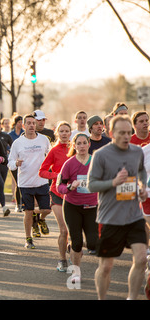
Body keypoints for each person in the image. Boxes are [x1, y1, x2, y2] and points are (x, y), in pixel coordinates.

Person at [87, 115, 149, 300]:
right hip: (110, 217)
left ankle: (131, 297)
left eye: (129, 133)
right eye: (122, 133)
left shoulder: (137, 151)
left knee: (141, 258)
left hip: (133, 215)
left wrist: (142, 186)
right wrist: (113, 182)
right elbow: (91, 185)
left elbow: (141, 171)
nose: (126, 136)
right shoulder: (101, 155)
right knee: (106, 266)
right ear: (112, 133)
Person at [57, 133, 99, 284]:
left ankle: (75, 244)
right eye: (78, 143)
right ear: (74, 146)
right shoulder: (69, 164)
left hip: (92, 206)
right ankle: (75, 272)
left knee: (93, 243)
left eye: (84, 143)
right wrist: (69, 187)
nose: (81, 146)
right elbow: (59, 186)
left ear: (89, 144)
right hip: (72, 206)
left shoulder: (96, 162)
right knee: (76, 241)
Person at [8, 114, 51, 249]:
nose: (32, 125)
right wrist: (16, 163)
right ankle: (28, 238)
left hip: (41, 181)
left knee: (46, 209)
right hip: (25, 183)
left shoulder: (44, 140)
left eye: (34, 123)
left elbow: (51, 155)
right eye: (29, 123)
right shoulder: (18, 143)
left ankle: (41, 219)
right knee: (27, 212)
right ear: (23, 126)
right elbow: (10, 163)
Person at [39, 121, 71, 271]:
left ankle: (71, 249)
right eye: (62, 131)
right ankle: (62, 260)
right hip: (57, 192)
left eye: (67, 131)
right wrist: (56, 176)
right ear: (58, 133)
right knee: (63, 230)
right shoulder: (54, 150)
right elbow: (42, 171)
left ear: (70, 133)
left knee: (72, 231)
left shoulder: (75, 149)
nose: (64, 134)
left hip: (73, 194)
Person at [9, 115, 24, 212]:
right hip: (14, 161)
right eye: (19, 122)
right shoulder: (11, 134)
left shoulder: (24, 133)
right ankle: (18, 204)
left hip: (23, 163)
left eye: (22, 122)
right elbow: (7, 146)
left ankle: (23, 203)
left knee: (22, 184)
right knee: (17, 183)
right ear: (15, 123)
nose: (20, 124)